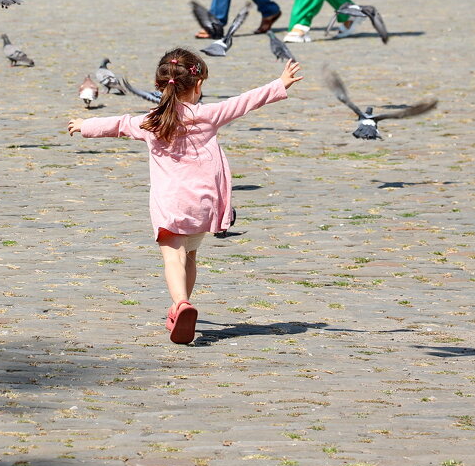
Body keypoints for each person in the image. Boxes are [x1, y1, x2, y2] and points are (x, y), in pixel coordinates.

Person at [68, 49, 303, 344]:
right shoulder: (208, 115)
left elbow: (118, 124)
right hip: (202, 204)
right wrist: (280, 83)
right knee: (190, 255)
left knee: (173, 255)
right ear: (198, 85)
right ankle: (181, 308)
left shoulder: (150, 121)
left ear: (160, 86)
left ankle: (180, 304)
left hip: (169, 204)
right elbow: (244, 102)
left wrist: (84, 125)